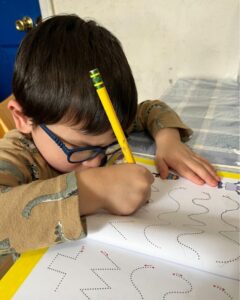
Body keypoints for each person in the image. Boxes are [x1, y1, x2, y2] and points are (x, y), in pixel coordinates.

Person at [0, 15, 219, 255]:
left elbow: (150, 108)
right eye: (77, 147)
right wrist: (94, 190)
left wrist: (169, 141)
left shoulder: (101, 125)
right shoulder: (16, 155)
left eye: (110, 144)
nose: (95, 161)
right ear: (23, 118)